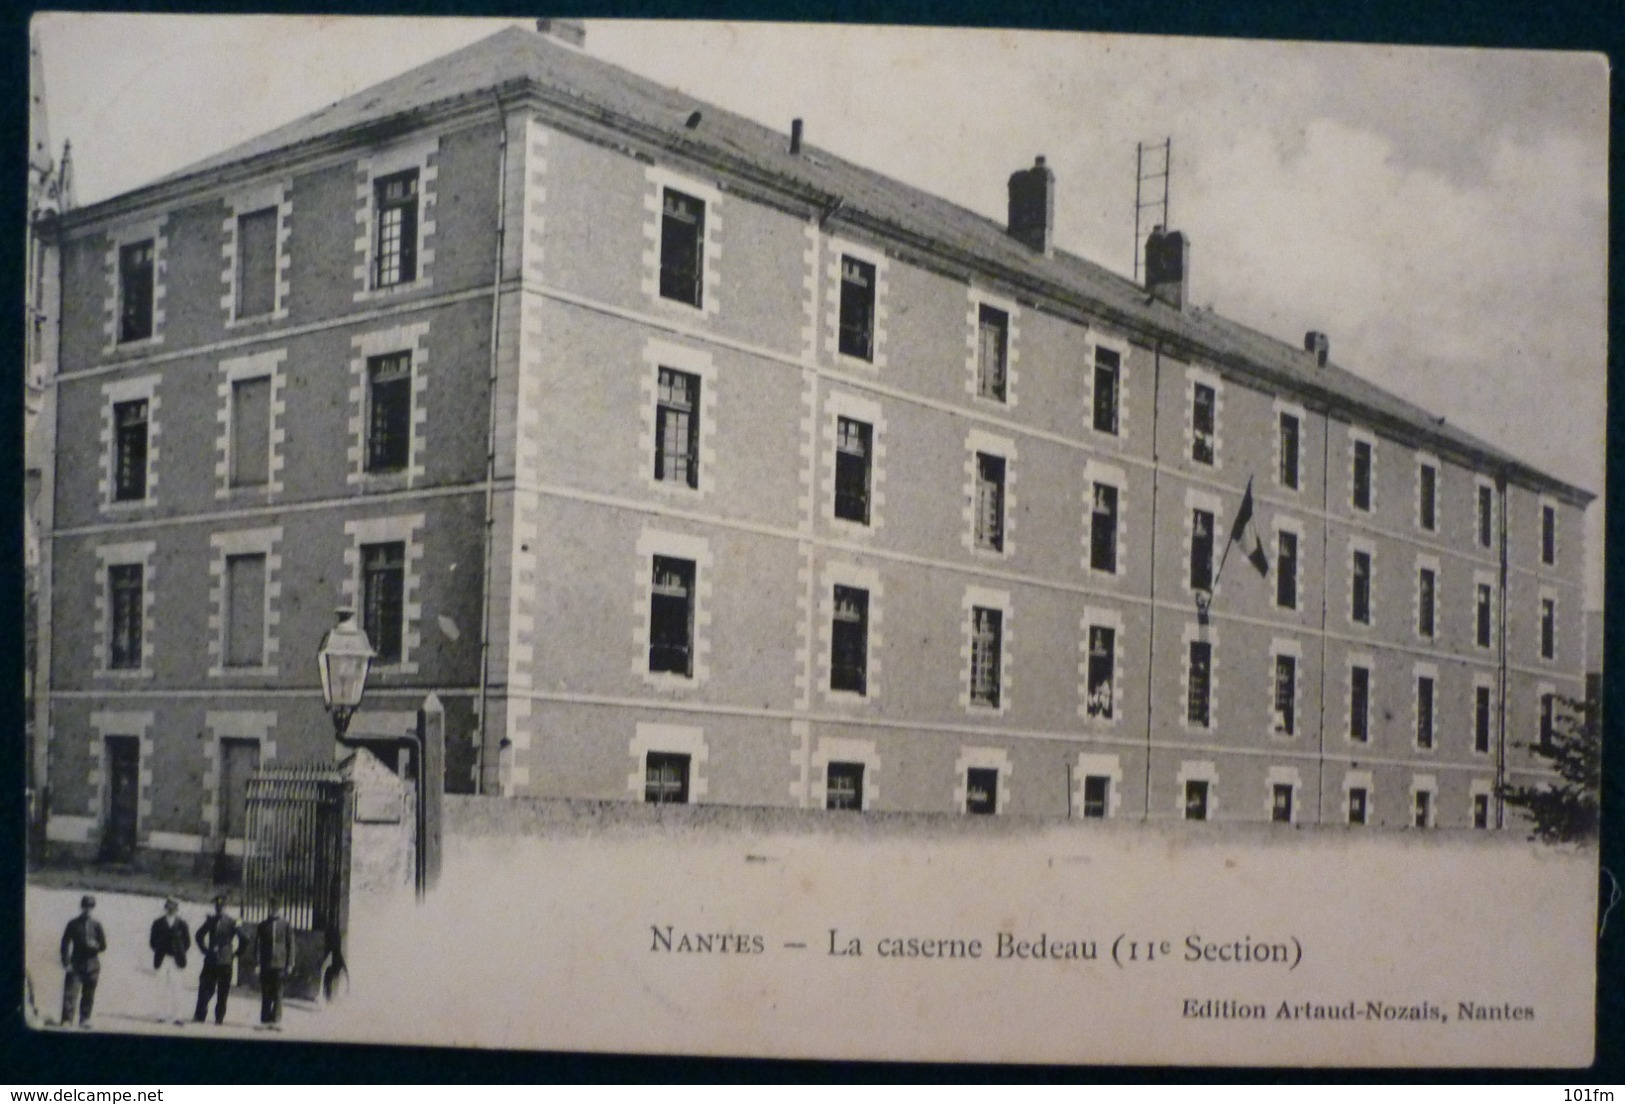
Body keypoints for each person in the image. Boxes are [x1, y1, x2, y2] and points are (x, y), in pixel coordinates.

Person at [193, 895, 243, 1025]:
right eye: (218, 906)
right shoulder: (229, 921)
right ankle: (216, 1018)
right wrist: (236, 953)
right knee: (214, 990)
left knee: (212, 989)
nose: (219, 909)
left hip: (217, 960)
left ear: (225, 907)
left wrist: (206, 951)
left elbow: (199, 936)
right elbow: (198, 935)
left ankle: (204, 1016)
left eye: (220, 907)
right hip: (223, 960)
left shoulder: (227, 922)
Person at [60, 894, 107, 1029]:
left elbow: (103, 945)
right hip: (75, 964)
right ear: (81, 907)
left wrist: (96, 946)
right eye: (86, 906)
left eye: (91, 907)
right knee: (70, 993)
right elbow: (65, 943)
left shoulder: (97, 925)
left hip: (93, 965)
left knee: (89, 994)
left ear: (93, 908)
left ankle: (85, 1019)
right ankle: (67, 1020)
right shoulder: (73, 924)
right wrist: (66, 962)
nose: (88, 909)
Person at [147, 897, 191, 1025]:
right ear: (165, 908)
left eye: (173, 908)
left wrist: (179, 952)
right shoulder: (158, 923)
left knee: (177, 987)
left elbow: (187, 942)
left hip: (176, 959)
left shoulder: (182, 924)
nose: (171, 910)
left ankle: (177, 1016)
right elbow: (152, 941)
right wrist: (160, 950)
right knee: (161, 987)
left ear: (177, 910)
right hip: (162, 958)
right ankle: (161, 1014)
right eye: (169, 908)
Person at [256, 899, 296, 1030]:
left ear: (280, 909)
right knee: (266, 993)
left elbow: (291, 945)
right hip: (266, 964)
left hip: (280, 965)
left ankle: (276, 1021)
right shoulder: (262, 925)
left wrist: (289, 963)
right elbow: (257, 946)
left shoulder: (286, 925)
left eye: (277, 908)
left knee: (278, 994)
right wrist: (257, 963)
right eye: (272, 907)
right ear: (269, 908)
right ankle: (265, 1020)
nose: (274, 910)